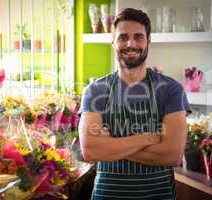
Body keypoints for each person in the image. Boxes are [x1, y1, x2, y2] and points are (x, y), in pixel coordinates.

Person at [78, 8, 191, 200]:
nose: (131, 44)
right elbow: (90, 151)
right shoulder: (96, 91)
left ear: (148, 41)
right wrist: (148, 138)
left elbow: (172, 154)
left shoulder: (170, 90)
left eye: (138, 37)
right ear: (112, 42)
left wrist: (110, 144)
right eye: (123, 37)